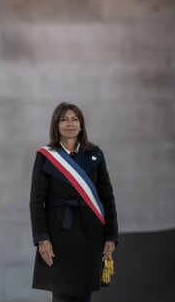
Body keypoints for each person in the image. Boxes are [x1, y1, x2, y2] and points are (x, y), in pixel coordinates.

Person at [29, 102, 118, 302]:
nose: (69, 124)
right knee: (62, 295)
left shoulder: (95, 154)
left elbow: (107, 198)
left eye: (74, 119)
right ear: (56, 125)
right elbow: (36, 202)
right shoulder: (46, 156)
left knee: (84, 295)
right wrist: (42, 238)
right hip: (59, 236)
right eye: (64, 119)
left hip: (90, 234)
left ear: (81, 124)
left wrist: (111, 236)